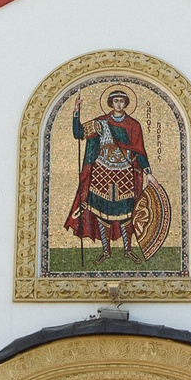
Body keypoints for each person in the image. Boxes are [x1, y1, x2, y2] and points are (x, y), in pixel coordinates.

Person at [65, 88, 151, 263]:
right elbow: (78, 133)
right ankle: (106, 251)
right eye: (115, 101)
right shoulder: (100, 123)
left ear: (126, 103)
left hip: (124, 174)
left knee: (127, 212)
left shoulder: (133, 125)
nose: (118, 104)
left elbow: (139, 151)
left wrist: (148, 172)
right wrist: (76, 112)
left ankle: (128, 250)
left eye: (121, 101)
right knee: (102, 212)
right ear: (111, 103)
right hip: (102, 173)